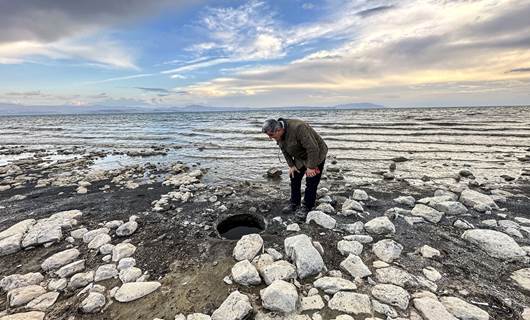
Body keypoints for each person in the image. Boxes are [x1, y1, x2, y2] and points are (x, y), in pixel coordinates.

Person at [262, 118, 328, 220]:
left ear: (278, 130)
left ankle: (307, 206)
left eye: (271, 135)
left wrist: (311, 167)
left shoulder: (299, 127)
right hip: (300, 156)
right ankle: (294, 202)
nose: (270, 138)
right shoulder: (279, 135)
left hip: (316, 153)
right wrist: (291, 165)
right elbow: (284, 150)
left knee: (311, 181)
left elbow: (313, 148)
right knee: (294, 176)